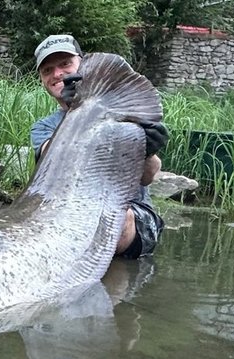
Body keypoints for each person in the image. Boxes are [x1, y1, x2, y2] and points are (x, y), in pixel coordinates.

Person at [30, 35, 167, 259]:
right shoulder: (43, 127)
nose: (57, 74)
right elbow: (51, 159)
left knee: (112, 221)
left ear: (81, 63)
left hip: (130, 215)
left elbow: (148, 176)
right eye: (47, 70)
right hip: (68, 214)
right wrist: (76, 114)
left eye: (65, 64)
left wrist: (148, 150)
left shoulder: (122, 111)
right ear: (42, 79)